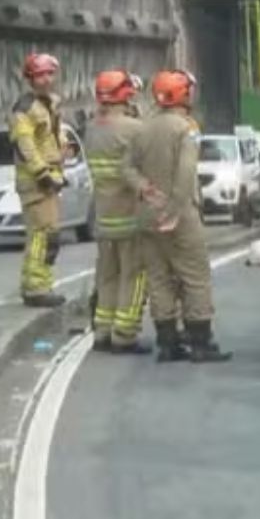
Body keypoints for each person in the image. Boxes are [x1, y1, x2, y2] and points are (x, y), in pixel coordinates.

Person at [125, 69, 232, 363]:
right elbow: (185, 174)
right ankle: (201, 343)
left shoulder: (142, 128)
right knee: (195, 276)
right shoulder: (186, 129)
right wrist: (174, 209)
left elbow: (127, 168)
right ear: (182, 95)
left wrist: (145, 188)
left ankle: (168, 343)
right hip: (180, 214)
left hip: (146, 214)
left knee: (159, 278)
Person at [83, 70, 150, 354]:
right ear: (125, 94)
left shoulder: (91, 128)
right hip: (129, 215)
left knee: (107, 276)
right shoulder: (133, 128)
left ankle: (102, 331)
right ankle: (124, 334)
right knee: (133, 276)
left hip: (103, 216)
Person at [9, 53, 68, 308]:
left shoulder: (50, 104)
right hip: (35, 181)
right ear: (31, 78)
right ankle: (35, 289)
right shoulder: (25, 108)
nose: (45, 79)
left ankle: (42, 284)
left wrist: (64, 151)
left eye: (49, 74)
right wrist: (42, 173)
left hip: (51, 176)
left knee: (51, 235)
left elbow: (52, 137)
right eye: (40, 75)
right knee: (41, 235)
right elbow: (25, 145)